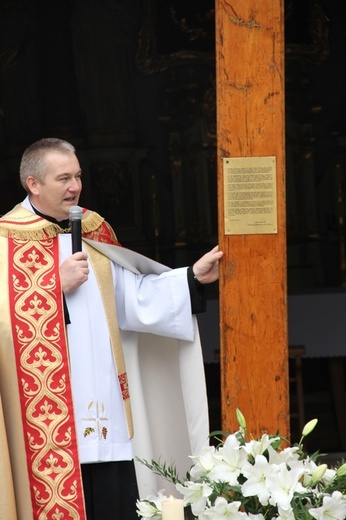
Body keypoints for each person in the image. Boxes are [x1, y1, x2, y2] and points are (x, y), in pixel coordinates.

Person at [0, 138, 223, 520]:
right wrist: (53, 284)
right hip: (46, 421)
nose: (75, 186)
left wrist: (190, 278)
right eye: (64, 178)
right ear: (33, 184)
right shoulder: (8, 241)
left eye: (78, 176)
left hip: (108, 406)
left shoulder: (92, 228)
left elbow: (132, 297)